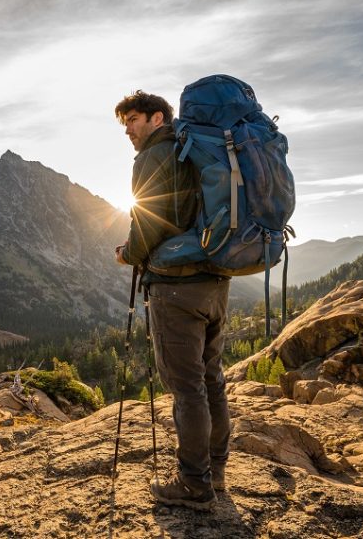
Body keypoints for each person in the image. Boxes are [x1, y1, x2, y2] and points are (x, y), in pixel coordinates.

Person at [113, 90, 230, 511]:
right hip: (216, 278)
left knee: (187, 389)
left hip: (176, 285)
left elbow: (148, 219)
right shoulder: (193, 150)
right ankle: (215, 470)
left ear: (157, 118)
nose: (127, 129)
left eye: (132, 119)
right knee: (211, 377)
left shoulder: (153, 156)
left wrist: (130, 253)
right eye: (124, 122)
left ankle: (195, 485)